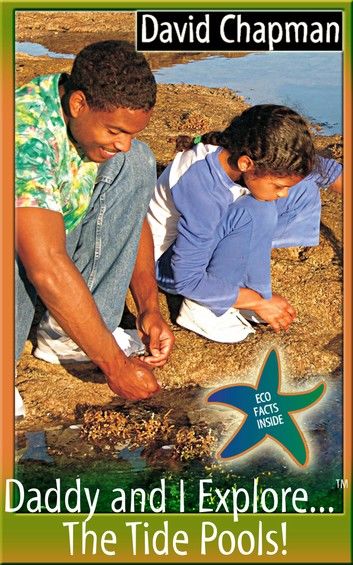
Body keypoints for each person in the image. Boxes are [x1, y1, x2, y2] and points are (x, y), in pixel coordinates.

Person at [15, 40, 174, 413]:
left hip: (50, 234)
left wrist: (149, 307)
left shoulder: (88, 123)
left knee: (137, 163)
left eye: (131, 132)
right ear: (78, 104)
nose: (123, 143)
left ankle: (68, 336)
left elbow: (133, 219)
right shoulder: (25, 139)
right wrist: (115, 366)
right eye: (116, 131)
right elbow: (46, 266)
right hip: (21, 246)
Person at [147, 104, 342, 343]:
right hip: (168, 266)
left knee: (302, 188)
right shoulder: (204, 188)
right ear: (246, 164)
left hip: (201, 241)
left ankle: (239, 286)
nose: (282, 194)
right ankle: (205, 309)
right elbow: (186, 277)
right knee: (257, 211)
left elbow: (328, 171)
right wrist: (259, 301)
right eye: (278, 186)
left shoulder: (244, 150)